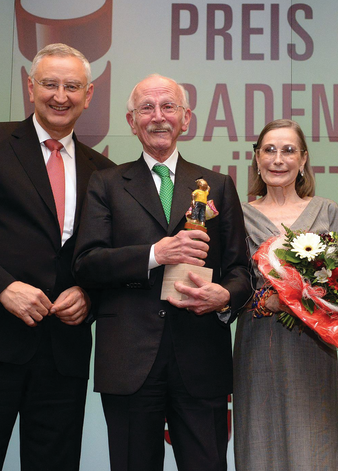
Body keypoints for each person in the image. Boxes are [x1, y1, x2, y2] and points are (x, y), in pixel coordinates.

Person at [0, 43, 114, 470]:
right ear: (31, 88)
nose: (60, 96)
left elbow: (103, 257)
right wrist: (2, 288)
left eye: (72, 86)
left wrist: (90, 296)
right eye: (50, 84)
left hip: (62, 354)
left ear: (88, 95)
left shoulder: (103, 170)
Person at [72, 73, 252, 471]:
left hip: (201, 357)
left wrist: (226, 297)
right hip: (129, 359)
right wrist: (155, 253)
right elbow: (87, 263)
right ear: (131, 121)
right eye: (146, 108)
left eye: (168, 106)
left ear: (186, 119)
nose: (158, 117)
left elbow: (240, 269)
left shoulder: (218, 185)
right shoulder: (106, 184)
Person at [232, 118, 338, 471]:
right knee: (258, 442)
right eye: (269, 150)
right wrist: (262, 301)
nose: (277, 159)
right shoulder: (239, 215)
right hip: (258, 342)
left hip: (313, 346)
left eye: (288, 151)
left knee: (314, 445)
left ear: (303, 159)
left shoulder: (326, 211)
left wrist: (312, 299)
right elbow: (230, 281)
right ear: (256, 158)